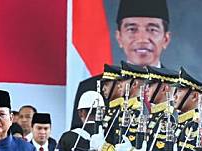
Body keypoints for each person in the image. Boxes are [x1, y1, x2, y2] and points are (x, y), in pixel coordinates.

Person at [70, 0, 171, 128]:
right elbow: (76, 144)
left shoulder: (186, 93)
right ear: (119, 37)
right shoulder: (92, 89)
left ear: (166, 39)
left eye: (152, 29)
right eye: (132, 29)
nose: (142, 39)